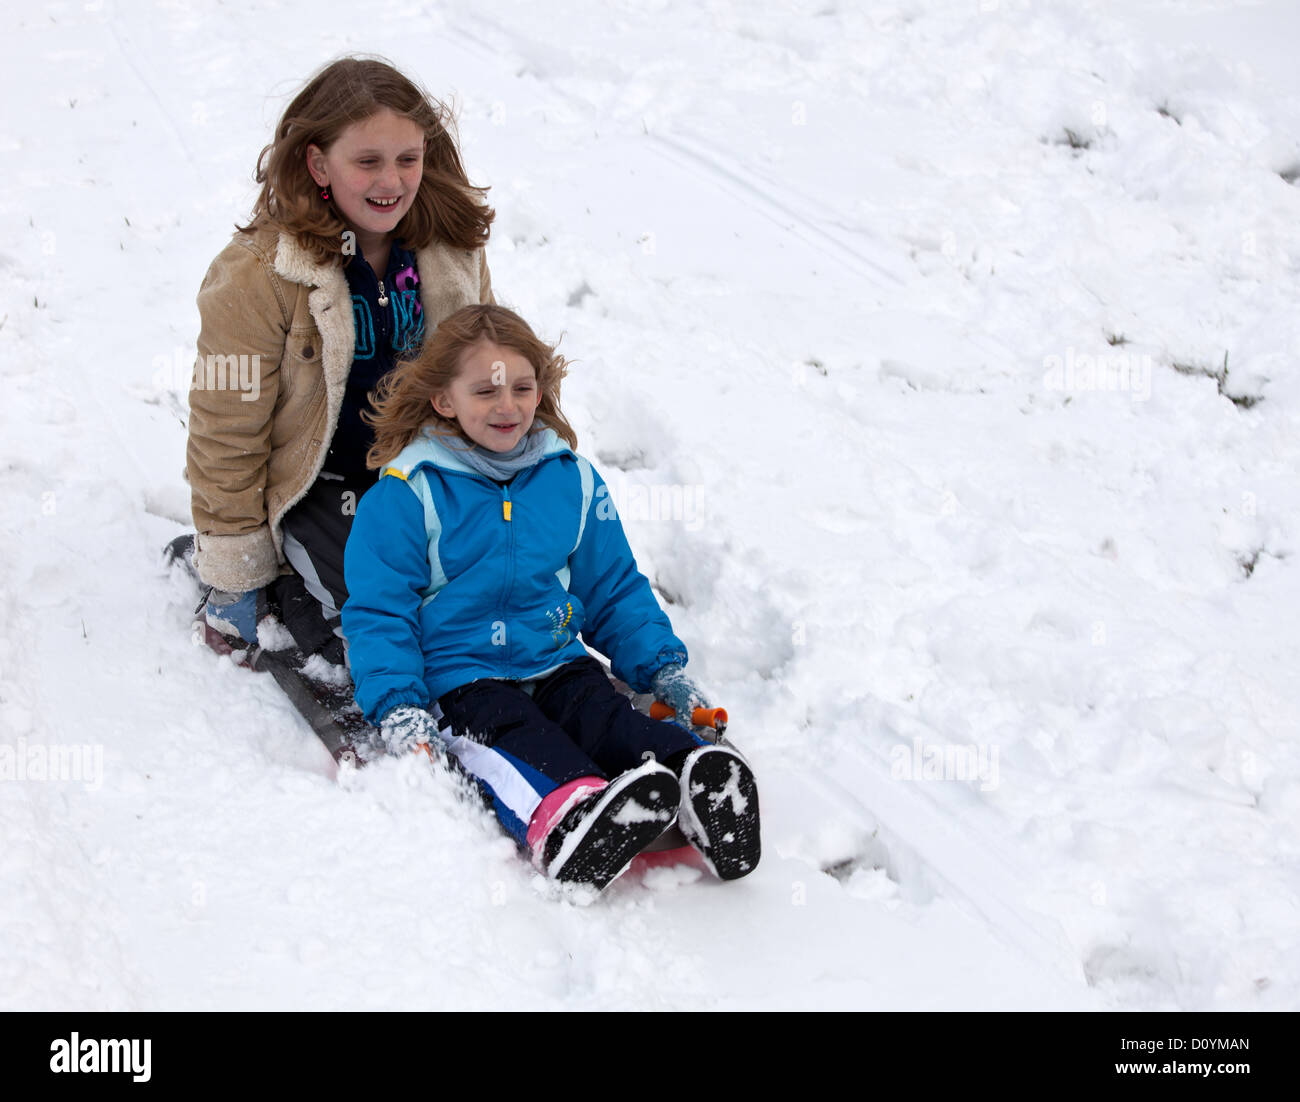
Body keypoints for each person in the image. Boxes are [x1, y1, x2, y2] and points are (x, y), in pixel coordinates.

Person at [341, 304, 761, 890]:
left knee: (608, 717)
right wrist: (399, 706)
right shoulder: (409, 493)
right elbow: (379, 612)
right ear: (444, 400)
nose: (507, 405)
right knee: (518, 742)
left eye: (521, 387)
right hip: (463, 682)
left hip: (558, 660)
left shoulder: (570, 479)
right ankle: (568, 817)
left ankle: (692, 776)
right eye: (485, 391)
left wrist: (663, 669)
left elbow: (612, 586)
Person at [187, 57, 494, 661]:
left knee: (495, 598)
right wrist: (236, 571)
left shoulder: (448, 249)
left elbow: (486, 371)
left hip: (421, 479)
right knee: (387, 622)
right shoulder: (258, 272)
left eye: (409, 158)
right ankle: (295, 592)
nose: (393, 181)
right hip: (321, 490)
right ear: (318, 163)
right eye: (368, 161)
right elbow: (227, 429)